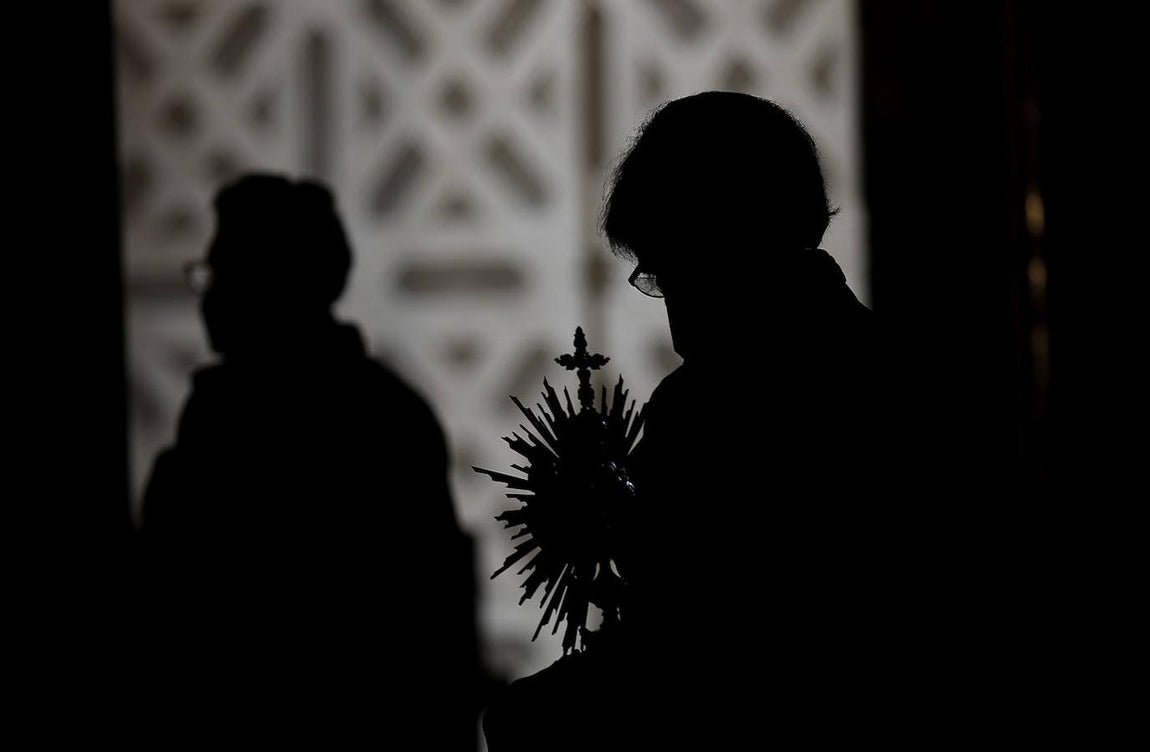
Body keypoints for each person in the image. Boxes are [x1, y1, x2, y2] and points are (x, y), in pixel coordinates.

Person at [484, 92, 982, 749]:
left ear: (721, 241)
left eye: (668, 271)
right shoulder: (920, 380)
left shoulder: (707, 411)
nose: (672, 312)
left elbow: (697, 663)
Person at [141, 174, 480, 747]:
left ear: (278, 283)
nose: (210, 295)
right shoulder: (387, 413)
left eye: (223, 273)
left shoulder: (363, 423)